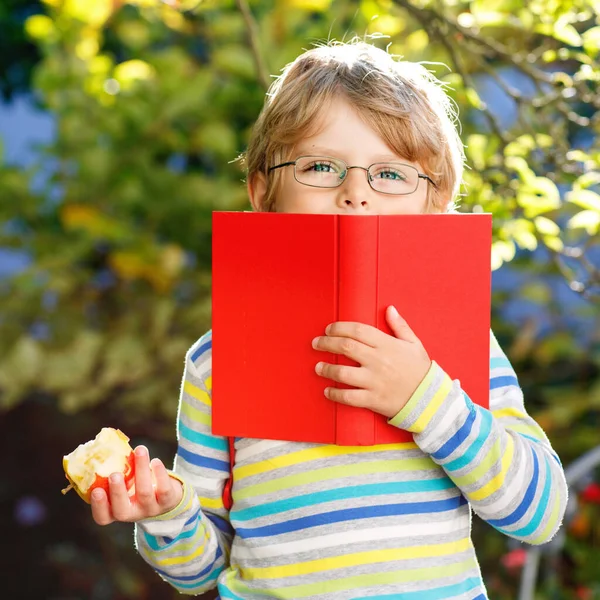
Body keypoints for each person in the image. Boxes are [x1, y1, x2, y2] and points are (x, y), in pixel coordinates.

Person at [91, 40, 568, 599]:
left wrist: (427, 399)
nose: (356, 194)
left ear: (435, 204)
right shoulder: (218, 360)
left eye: (390, 174)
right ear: (263, 193)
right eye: (320, 166)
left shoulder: (456, 341)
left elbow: (537, 513)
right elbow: (201, 570)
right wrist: (168, 513)